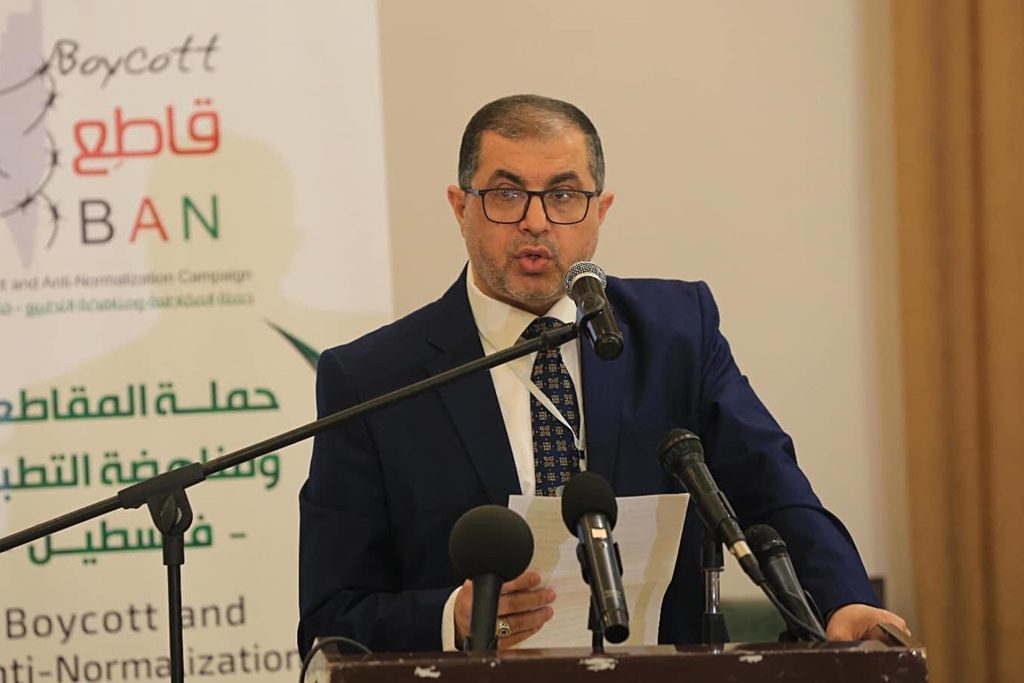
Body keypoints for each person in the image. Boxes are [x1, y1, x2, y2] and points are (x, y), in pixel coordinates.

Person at [297, 94, 907, 655]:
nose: (536, 222)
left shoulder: (676, 335)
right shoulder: (374, 380)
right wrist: (454, 618)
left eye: (564, 196)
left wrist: (842, 599)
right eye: (507, 194)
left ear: (600, 210)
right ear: (461, 208)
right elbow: (330, 620)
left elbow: (771, 489)